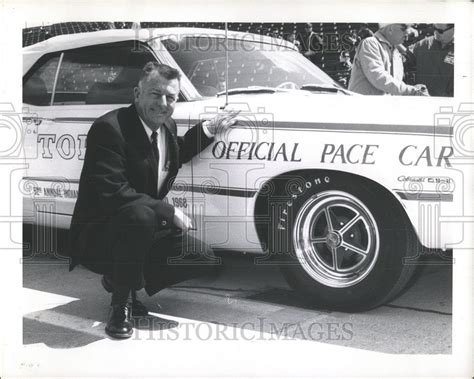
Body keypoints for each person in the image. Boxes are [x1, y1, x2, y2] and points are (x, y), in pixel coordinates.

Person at [68, 62, 238, 339]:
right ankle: (121, 305)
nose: (163, 103)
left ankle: (119, 278)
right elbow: (113, 192)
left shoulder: (166, 125)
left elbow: (173, 154)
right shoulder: (108, 129)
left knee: (202, 257)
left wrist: (210, 128)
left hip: (141, 230)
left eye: (170, 97)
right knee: (141, 216)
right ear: (137, 93)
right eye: (155, 94)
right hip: (101, 235)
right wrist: (168, 211)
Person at [348, 23, 428, 96]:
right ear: (390, 29)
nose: (408, 33)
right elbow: (379, 78)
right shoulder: (370, 43)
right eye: (403, 28)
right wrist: (411, 91)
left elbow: (394, 87)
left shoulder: (396, 53)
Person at [406, 23, 454, 97]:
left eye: (440, 31)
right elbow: (406, 56)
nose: (436, 33)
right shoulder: (425, 44)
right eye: (434, 28)